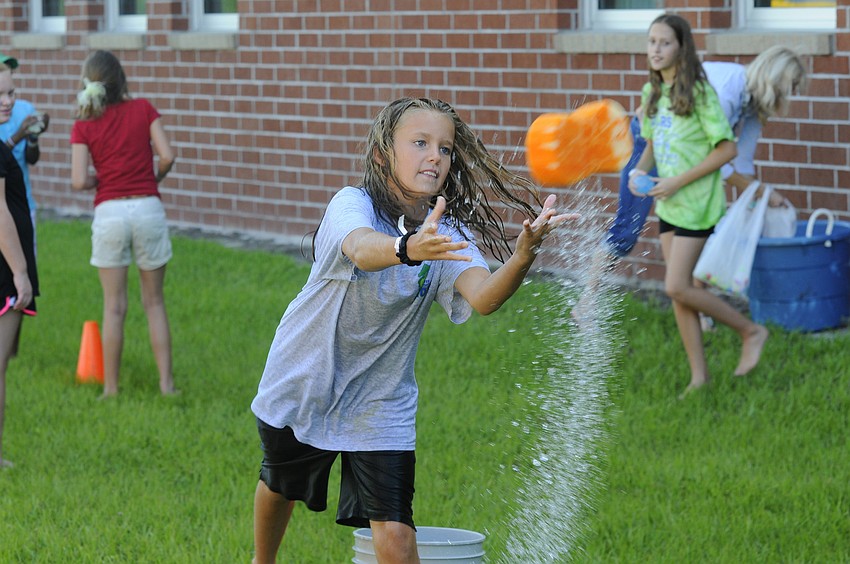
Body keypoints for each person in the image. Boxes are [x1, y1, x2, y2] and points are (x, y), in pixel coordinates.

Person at [250, 97, 574, 563]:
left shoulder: (448, 234)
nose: (435, 157)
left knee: (397, 531)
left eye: (444, 149)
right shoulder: (352, 204)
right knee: (282, 485)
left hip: (382, 397)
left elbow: (483, 298)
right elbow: (362, 249)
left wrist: (522, 255)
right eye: (420, 143)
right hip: (306, 377)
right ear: (383, 153)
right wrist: (408, 248)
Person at [628, 13, 769, 397]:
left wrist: (676, 181)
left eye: (665, 43)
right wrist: (638, 173)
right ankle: (699, 378)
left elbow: (727, 149)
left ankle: (750, 331)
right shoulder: (651, 93)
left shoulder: (700, 93)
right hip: (670, 205)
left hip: (698, 203)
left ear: (681, 48)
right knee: (680, 290)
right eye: (651, 41)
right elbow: (653, 147)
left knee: (676, 285)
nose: (655, 49)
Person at [607, 44, 807, 260]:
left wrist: (754, 197)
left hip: (683, 147)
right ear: (775, 80)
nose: (791, 94)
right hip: (652, 137)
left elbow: (742, 163)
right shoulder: (725, 92)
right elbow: (715, 164)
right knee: (627, 230)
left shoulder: (754, 102)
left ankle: (683, 288)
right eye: (791, 86)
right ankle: (589, 294)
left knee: (694, 223)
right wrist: (762, 193)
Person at [70, 50, 177, 398]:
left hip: (110, 213)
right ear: (121, 79)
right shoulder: (143, 108)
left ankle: (111, 390)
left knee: (114, 306)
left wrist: (96, 182)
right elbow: (167, 155)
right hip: (147, 208)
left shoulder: (83, 124)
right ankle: (166, 386)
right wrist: (153, 179)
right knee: (154, 302)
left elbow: (77, 180)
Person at [0, 57, 39, 468]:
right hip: (4, 271)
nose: (9, 101)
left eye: (11, 92)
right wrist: (20, 273)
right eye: (0, 94)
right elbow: (0, 212)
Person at [0, 52, 50, 235]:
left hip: (23, 203)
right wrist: (19, 135)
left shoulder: (24, 109)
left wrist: (34, 135)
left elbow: (32, 158)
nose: (7, 101)